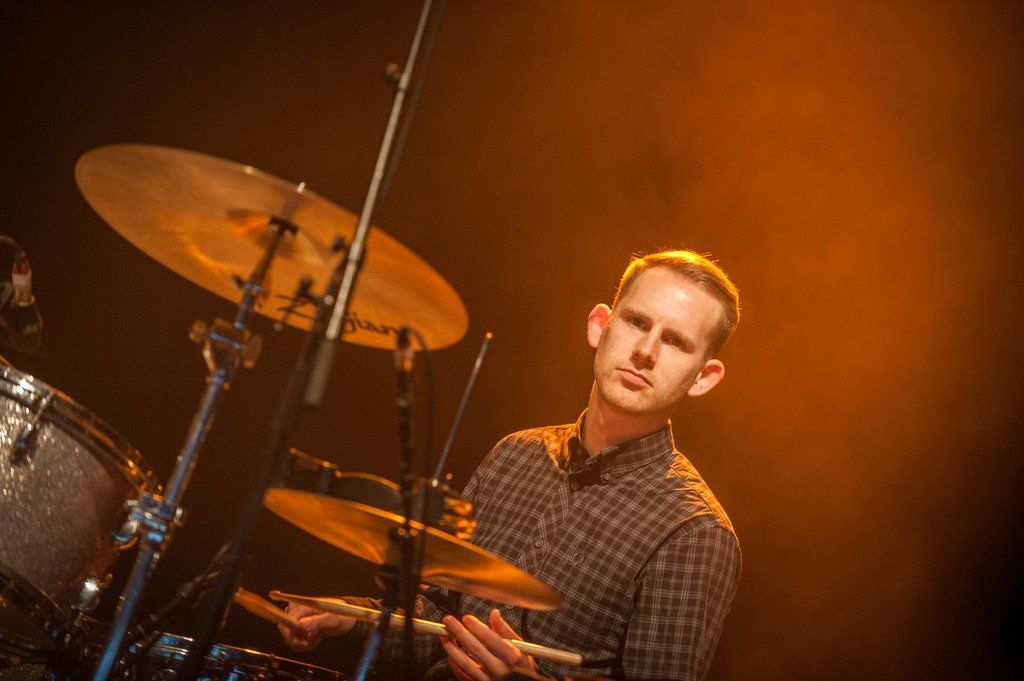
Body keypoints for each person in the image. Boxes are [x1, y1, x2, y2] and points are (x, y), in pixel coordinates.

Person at [279, 250, 743, 681]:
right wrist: (353, 619)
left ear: (703, 377)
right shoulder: (514, 454)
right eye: (637, 321)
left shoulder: (695, 531)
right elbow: (435, 619)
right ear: (600, 326)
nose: (646, 350)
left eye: (675, 341)